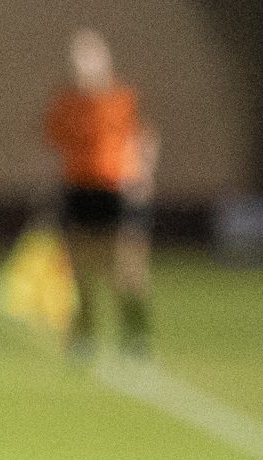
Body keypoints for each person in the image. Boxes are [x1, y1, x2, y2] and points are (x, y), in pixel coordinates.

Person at [44, 28, 157, 360]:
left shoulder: (122, 100)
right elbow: (56, 145)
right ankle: (85, 334)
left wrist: (143, 175)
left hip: (117, 190)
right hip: (79, 190)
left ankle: (136, 333)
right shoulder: (66, 104)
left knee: (126, 270)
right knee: (80, 270)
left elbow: (143, 138)